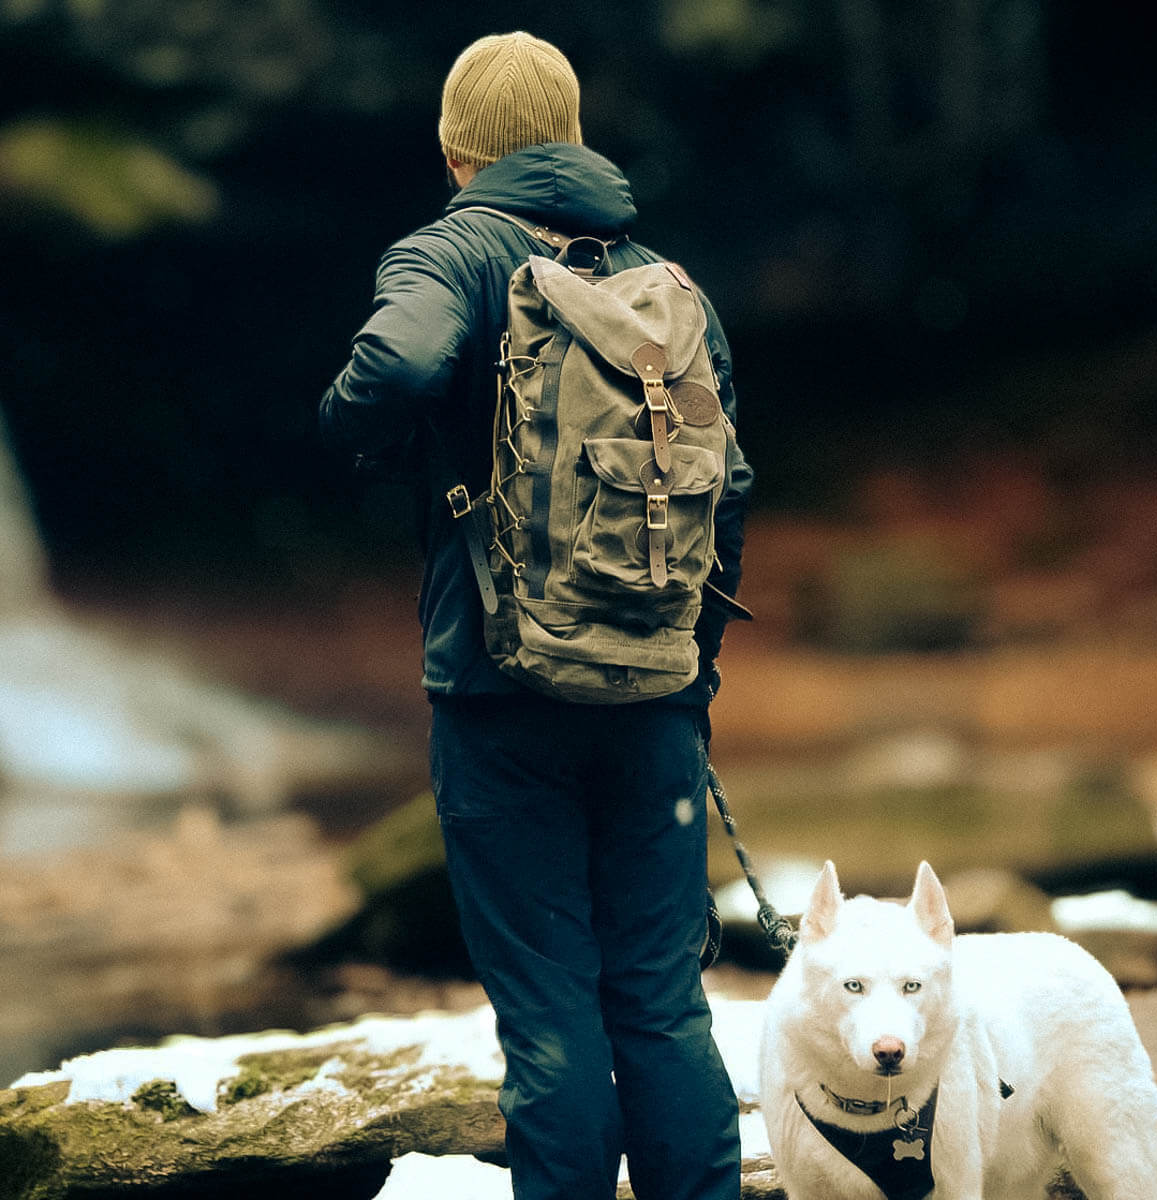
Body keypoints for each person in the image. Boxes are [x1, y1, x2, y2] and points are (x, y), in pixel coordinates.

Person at [320, 31, 752, 1200]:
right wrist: (688, 670)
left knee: (552, 1010)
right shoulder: (662, 280)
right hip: (655, 694)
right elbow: (733, 488)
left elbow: (397, 369)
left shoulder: (450, 252)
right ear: (573, 131)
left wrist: (350, 428)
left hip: (501, 695)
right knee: (661, 1003)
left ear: (458, 147)